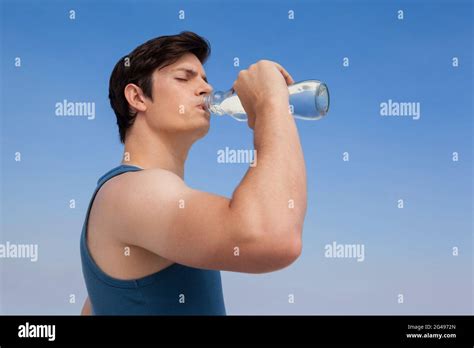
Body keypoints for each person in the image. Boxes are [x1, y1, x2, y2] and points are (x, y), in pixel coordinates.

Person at [80, 31, 307, 315]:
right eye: (184, 78)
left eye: (205, 80)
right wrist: (271, 103)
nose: (206, 89)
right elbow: (273, 236)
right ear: (137, 97)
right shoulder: (131, 191)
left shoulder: (129, 201)